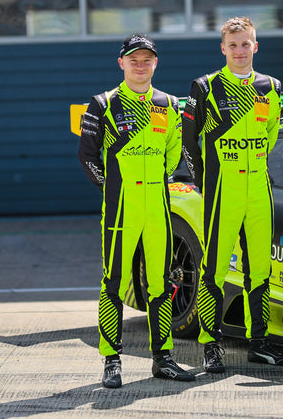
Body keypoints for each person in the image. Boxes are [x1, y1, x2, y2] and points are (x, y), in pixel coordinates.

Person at [78, 34, 195, 388]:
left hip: (158, 205)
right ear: (122, 63)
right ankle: (111, 360)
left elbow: (174, 151)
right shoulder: (103, 104)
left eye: (147, 59)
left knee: (162, 282)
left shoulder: (170, 104)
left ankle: (163, 358)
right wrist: (112, 188)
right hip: (121, 207)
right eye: (134, 59)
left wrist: (157, 178)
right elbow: (87, 155)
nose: (140, 64)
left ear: (155, 63)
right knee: (114, 283)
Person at [182, 16, 283, 372]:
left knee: (260, 270)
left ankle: (259, 342)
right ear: (223, 48)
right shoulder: (205, 86)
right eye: (233, 45)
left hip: (259, 188)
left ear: (255, 46)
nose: (240, 51)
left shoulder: (271, 86)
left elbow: (272, 133)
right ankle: (211, 345)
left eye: (246, 44)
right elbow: (188, 140)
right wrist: (204, 179)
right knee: (213, 270)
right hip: (222, 189)